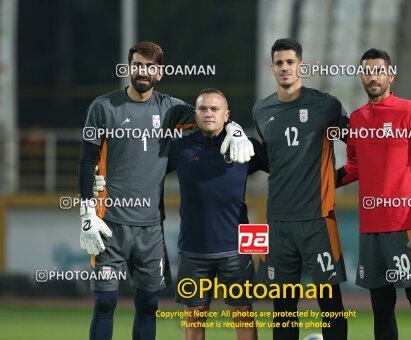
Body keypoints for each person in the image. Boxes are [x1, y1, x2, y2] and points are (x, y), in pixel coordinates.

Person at [78, 41, 254, 340]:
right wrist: (86, 212)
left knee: (148, 304)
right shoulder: (103, 107)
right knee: (105, 301)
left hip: (151, 228)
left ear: (159, 73)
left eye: (150, 66)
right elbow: (86, 161)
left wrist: (235, 129)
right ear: (128, 68)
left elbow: (209, 114)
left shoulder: (170, 108)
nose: (143, 71)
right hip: (109, 223)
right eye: (137, 65)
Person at [336, 48, 411, 340]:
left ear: (391, 74)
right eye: (368, 71)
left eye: (379, 70)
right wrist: (319, 183)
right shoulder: (357, 119)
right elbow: (355, 167)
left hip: (407, 225)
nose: (374, 76)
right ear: (361, 76)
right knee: (380, 307)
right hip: (371, 228)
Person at [252, 38, 349, 340]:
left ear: (301, 65)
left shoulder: (327, 106)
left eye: (290, 62)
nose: (285, 68)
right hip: (278, 223)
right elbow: (272, 160)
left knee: (330, 303)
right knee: (282, 307)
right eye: (279, 63)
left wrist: (337, 179)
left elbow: (360, 145)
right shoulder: (261, 110)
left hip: (317, 220)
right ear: (272, 67)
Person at [168, 88, 268, 340]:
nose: (208, 113)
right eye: (202, 108)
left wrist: (240, 132)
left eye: (215, 109)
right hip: (193, 247)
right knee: (194, 314)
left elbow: (284, 165)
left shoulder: (246, 145)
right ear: (196, 114)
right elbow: (145, 168)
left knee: (243, 312)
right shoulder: (180, 148)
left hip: (236, 247)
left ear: (227, 115)